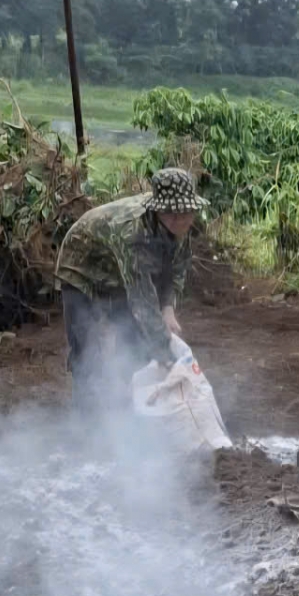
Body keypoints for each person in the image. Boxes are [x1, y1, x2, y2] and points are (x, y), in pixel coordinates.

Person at [54, 167, 207, 413]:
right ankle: (84, 421)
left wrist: (168, 309)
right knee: (86, 348)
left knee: (136, 342)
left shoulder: (182, 227)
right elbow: (142, 299)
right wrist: (166, 356)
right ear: (158, 210)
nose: (181, 219)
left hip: (117, 272)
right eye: (172, 214)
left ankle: (131, 408)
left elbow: (175, 269)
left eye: (186, 212)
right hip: (81, 268)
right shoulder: (132, 232)